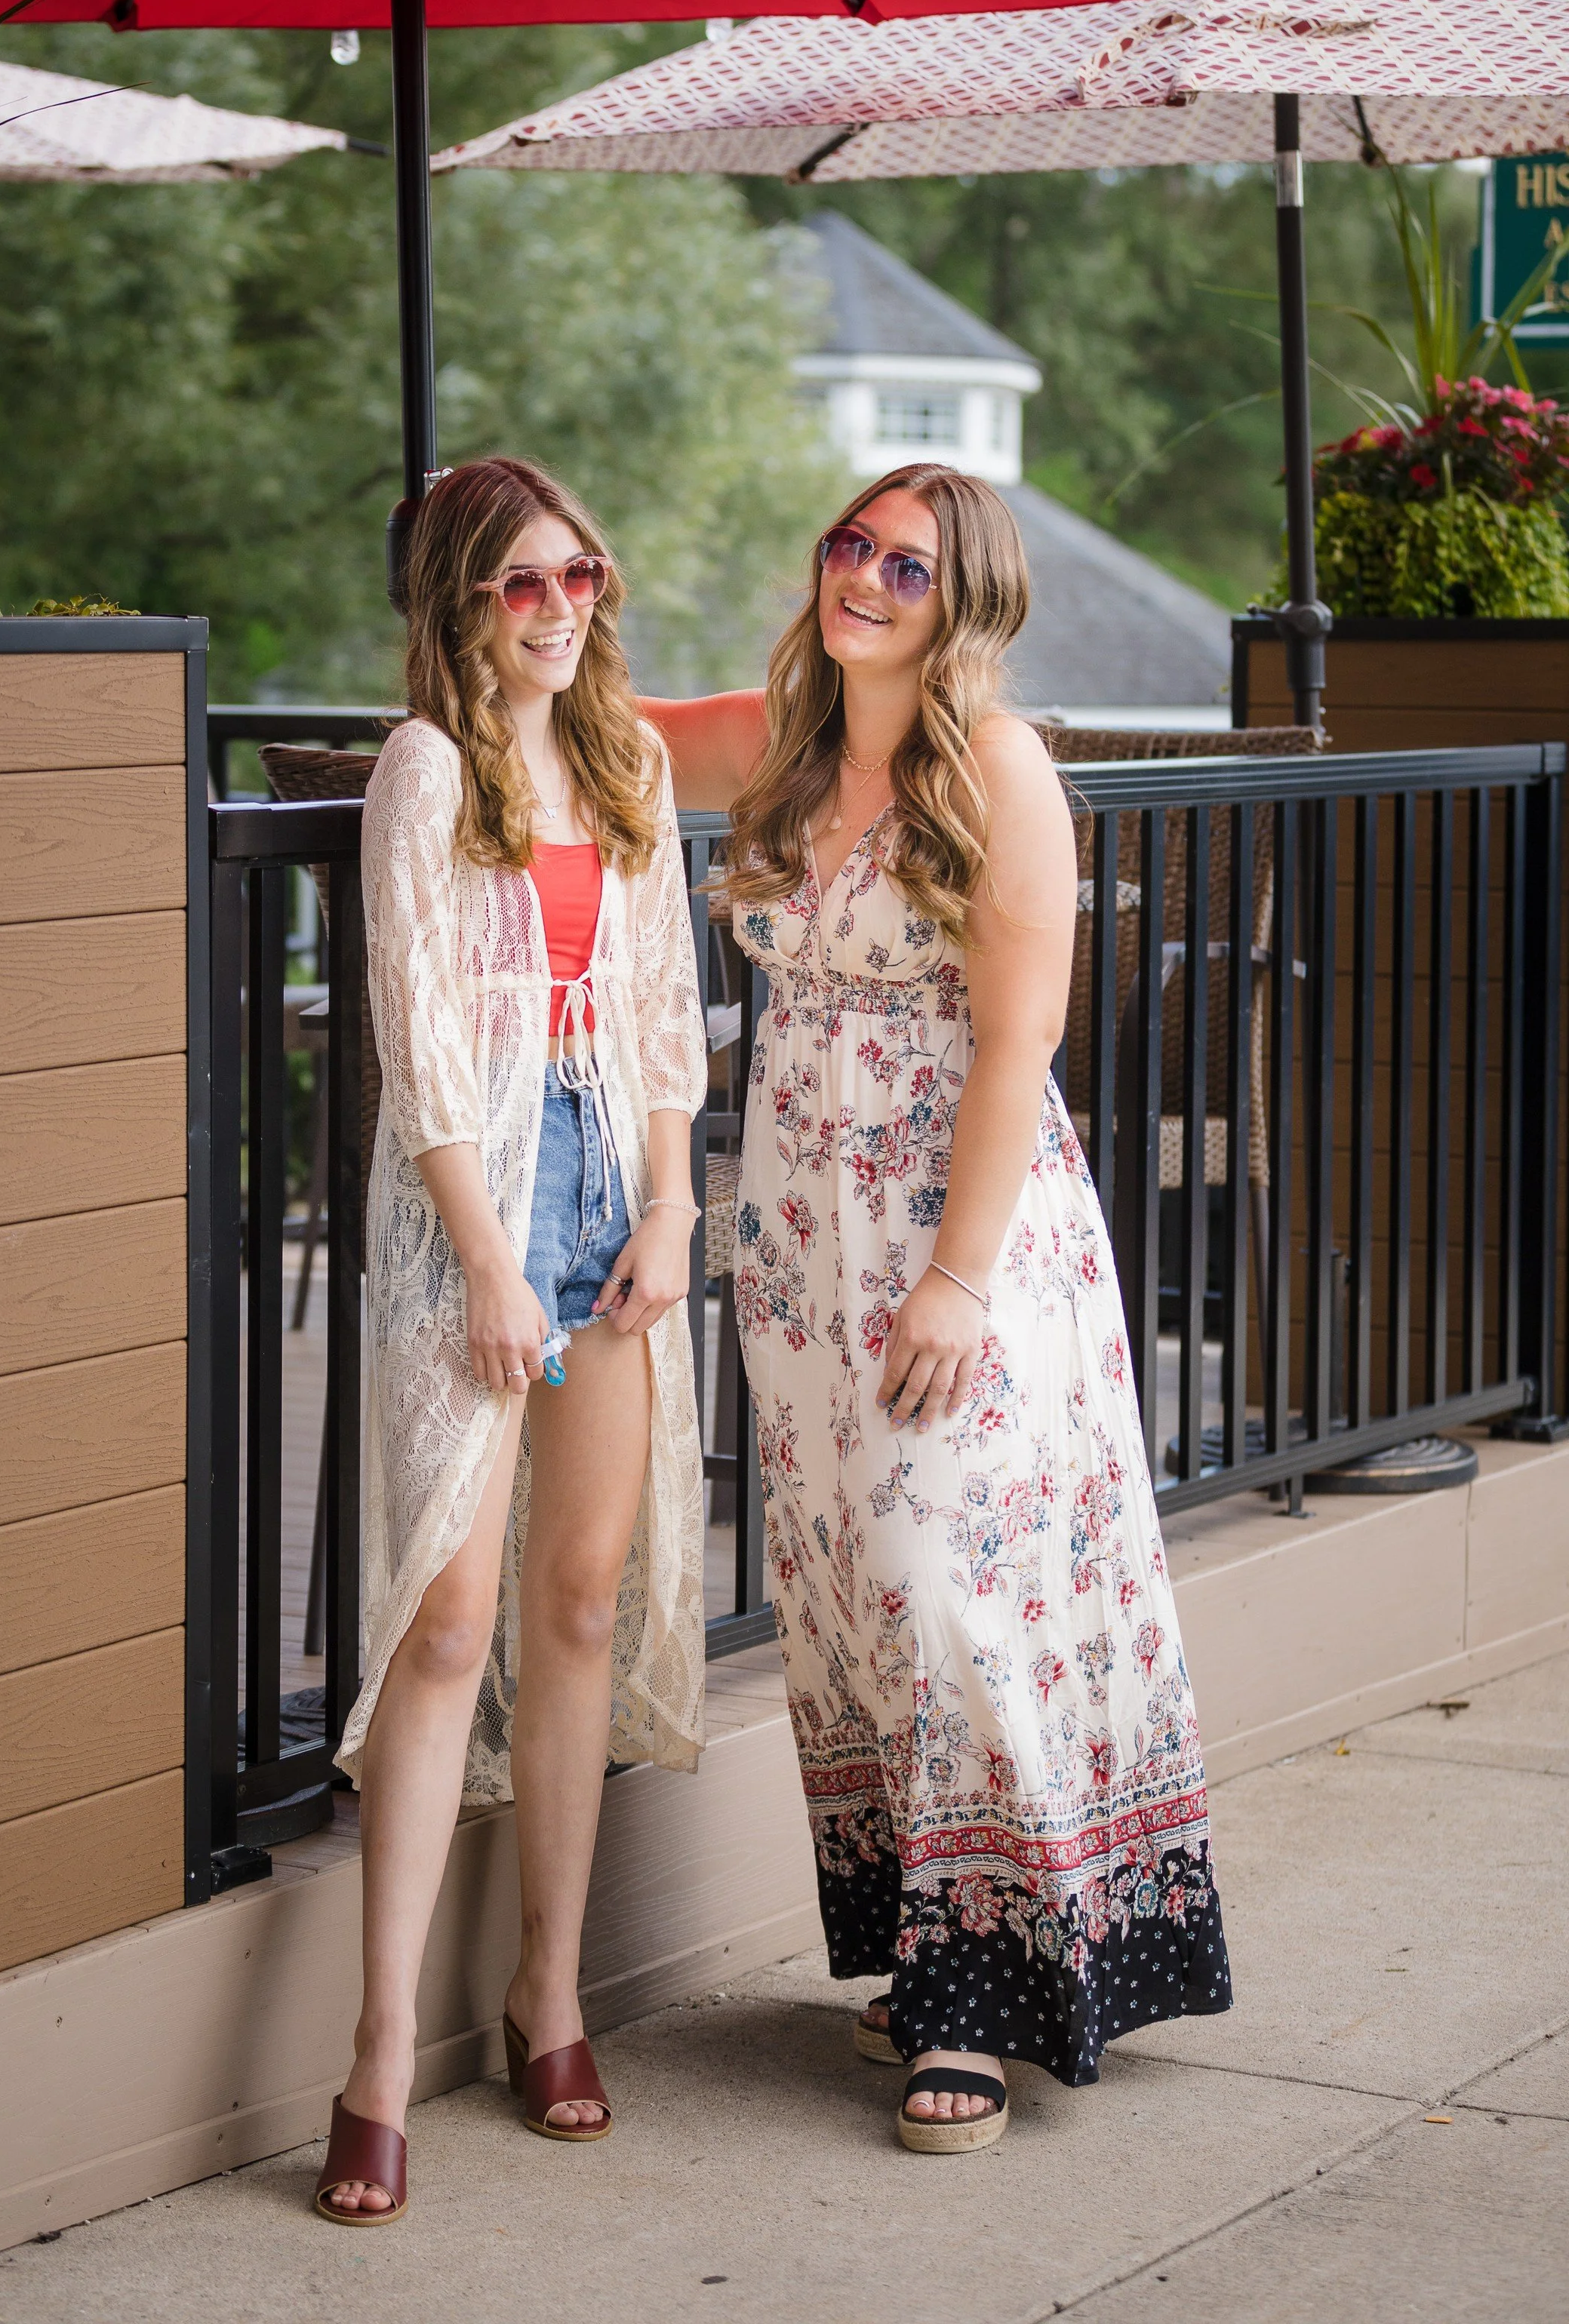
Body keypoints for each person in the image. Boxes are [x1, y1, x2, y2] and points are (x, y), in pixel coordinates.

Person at [644, 464, 1231, 2153]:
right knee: (849, 1597)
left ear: (963, 594)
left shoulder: (1004, 773)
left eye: (906, 561)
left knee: (948, 1579)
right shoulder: (785, 738)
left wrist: (958, 1280)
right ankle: (929, 1943)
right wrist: (507, 620)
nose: (866, 579)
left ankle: (989, 1989)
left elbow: (1017, 1042)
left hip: (951, 1238)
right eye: (849, 546)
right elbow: (599, 719)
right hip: (799, 1241)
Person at [315, 459, 709, 2225]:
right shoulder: (425, 770)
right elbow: (416, 1056)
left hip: (609, 1189)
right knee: (443, 1616)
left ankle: (547, 1991)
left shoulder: (623, 765)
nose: (564, 614)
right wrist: (487, 1265)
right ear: (462, 603)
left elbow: (665, 1014)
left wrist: (673, 1209)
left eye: (583, 580)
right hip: (477, 1204)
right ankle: (380, 2052)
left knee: (573, 1600)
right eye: (524, 588)